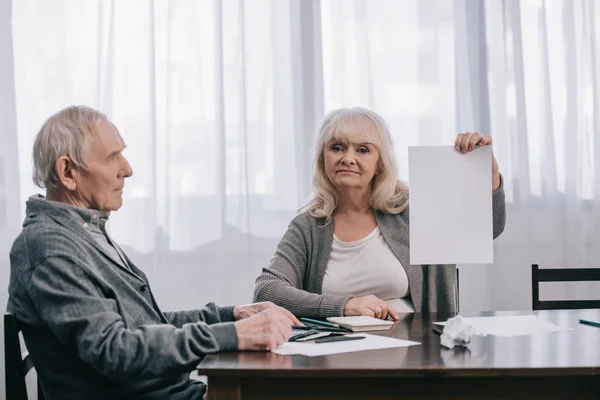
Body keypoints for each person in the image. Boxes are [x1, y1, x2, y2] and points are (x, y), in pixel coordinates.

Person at [7, 106, 299, 400]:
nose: (127, 169)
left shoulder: (80, 233)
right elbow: (116, 350)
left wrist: (232, 316)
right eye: (112, 157)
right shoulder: (50, 248)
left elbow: (143, 327)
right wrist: (236, 336)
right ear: (68, 172)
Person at [254, 107, 506, 319]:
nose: (348, 158)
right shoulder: (307, 226)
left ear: (379, 164)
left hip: (416, 351)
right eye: (337, 147)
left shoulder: (412, 210)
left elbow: (486, 230)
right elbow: (266, 290)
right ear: (323, 159)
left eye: (362, 150)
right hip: (334, 357)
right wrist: (345, 305)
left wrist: (488, 175)